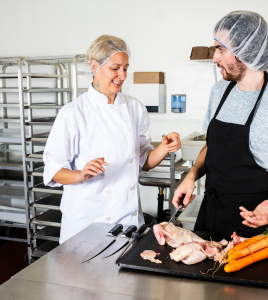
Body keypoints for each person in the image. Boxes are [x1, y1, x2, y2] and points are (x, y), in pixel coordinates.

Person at [173, 11, 268, 237]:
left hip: (254, 223)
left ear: (245, 52)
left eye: (220, 49)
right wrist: (190, 176)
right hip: (210, 217)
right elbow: (212, 147)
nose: (214, 58)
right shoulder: (219, 90)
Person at [43, 35, 181, 243]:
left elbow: (144, 162)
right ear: (94, 66)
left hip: (129, 220)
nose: (122, 75)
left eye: (125, 68)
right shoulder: (73, 113)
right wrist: (81, 174)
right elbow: (54, 169)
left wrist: (164, 147)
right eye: (115, 68)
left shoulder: (135, 108)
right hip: (86, 221)